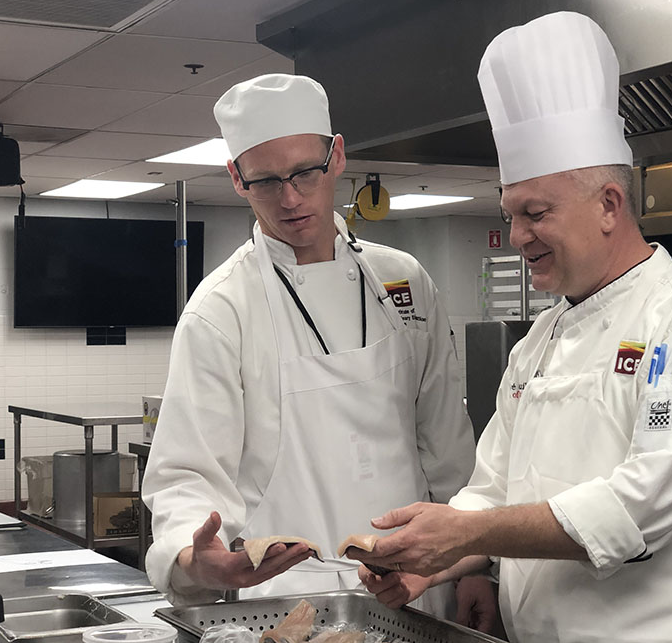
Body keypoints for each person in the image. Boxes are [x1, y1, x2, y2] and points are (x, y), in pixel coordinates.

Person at [349, 12, 672, 643]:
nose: (516, 238)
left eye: (534, 213)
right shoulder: (539, 340)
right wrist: (439, 557)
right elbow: (493, 489)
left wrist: (468, 532)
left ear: (609, 205)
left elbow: (639, 512)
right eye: (510, 214)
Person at [143, 74, 475, 613]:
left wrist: (470, 569)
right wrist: (190, 556)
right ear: (235, 178)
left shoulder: (404, 282)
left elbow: (448, 446)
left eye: (304, 173)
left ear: (337, 156)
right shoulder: (223, 308)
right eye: (266, 182)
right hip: (282, 607)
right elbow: (187, 474)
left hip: (413, 594)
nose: (290, 198)